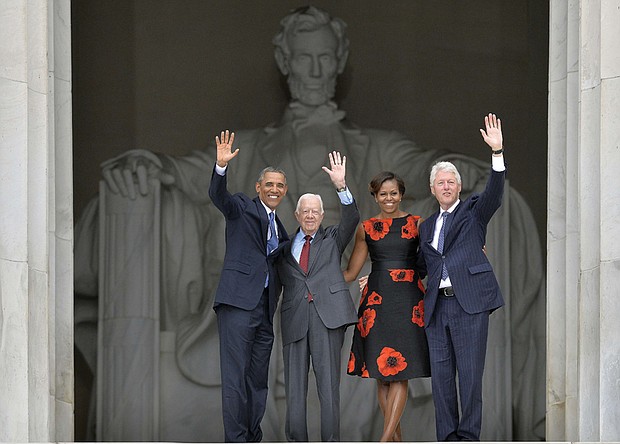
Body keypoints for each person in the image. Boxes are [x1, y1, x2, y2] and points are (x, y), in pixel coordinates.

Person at [74, 5, 545, 441]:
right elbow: (193, 170)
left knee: (352, 325)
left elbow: (433, 164)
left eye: (325, 57)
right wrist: (148, 163)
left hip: (350, 278)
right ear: (285, 61)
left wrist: (476, 165)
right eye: (305, 59)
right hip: (282, 280)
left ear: (340, 61)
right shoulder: (253, 148)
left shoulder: (376, 147)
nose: (316, 70)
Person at [418, 113, 506, 441]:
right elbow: (419, 266)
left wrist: (496, 153)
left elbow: (495, 195)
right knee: (441, 381)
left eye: (451, 181)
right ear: (432, 188)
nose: (446, 186)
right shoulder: (425, 227)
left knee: (469, 379)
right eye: (440, 182)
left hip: (468, 305)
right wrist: (381, 277)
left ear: (459, 187)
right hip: (437, 309)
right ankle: (447, 438)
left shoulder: (473, 213)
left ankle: (468, 438)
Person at [208, 129, 289, 442]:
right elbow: (220, 197)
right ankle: (237, 439)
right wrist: (221, 168)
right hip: (238, 304)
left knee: (258, 380)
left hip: (265, 310)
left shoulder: (281, 230)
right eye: (269, 184)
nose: (274, 189)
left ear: (284, 191)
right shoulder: (242, 207)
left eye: (279, 185)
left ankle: (252, 436)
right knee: (235, 378)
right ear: (259, 187)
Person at [274, 151, 359, 441]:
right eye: (305, 211)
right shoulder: (283, 249)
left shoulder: (333, 239)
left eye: (315, 211)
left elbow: (352, 217)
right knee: (294, 389)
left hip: (328, 318)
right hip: (295, 318)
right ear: (297, 215)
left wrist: (341, 186)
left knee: (329, 387)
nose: (310, 215)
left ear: (322, 216)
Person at [343, 171, 430, 442]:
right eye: (383, 194)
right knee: (382, 373)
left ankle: (383, 440)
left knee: (400, 371)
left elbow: (430, 262)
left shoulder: (418, 223)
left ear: (401, 194)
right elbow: (350, 273)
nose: (389, 198)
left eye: (393, 193)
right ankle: (395, 440)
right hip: (376, 301)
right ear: (375, 196)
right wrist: (312, 272)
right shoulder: (366, 228)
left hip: (408, 301)